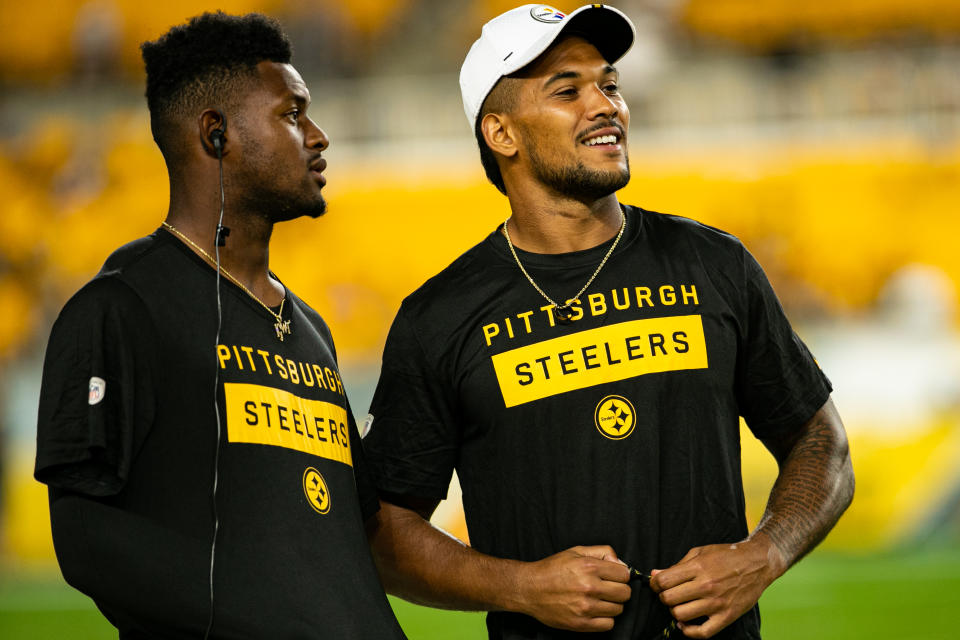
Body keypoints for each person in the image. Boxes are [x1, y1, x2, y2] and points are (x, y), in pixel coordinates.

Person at [363, 4, 854, 639]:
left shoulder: (713, 265)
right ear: (501, 133)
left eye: (610, 84)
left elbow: (822, 442)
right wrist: (522, 587)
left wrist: (764, 554)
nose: (606, 106)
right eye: (568, 90)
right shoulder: (441, 317)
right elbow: (385, 532)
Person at [34, 12, 406, 639]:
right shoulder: (122, 307)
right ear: (215, 134)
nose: (317, 136)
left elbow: (351, 534)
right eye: (292, 115)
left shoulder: (310, 326)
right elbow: (85, 539)